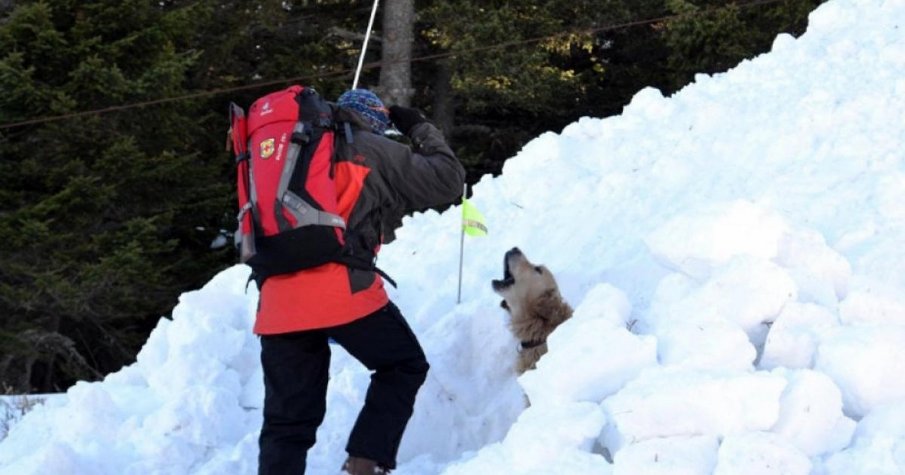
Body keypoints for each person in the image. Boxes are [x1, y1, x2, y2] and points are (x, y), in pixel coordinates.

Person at [254, 88, 466, 475]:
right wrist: (418, 127)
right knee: (403, 365)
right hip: (341, 290)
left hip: (277, 302)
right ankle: (365, 465)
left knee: (286, 422)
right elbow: (448, 180)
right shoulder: (369, 147)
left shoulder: (290, 151)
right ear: (376, 123)